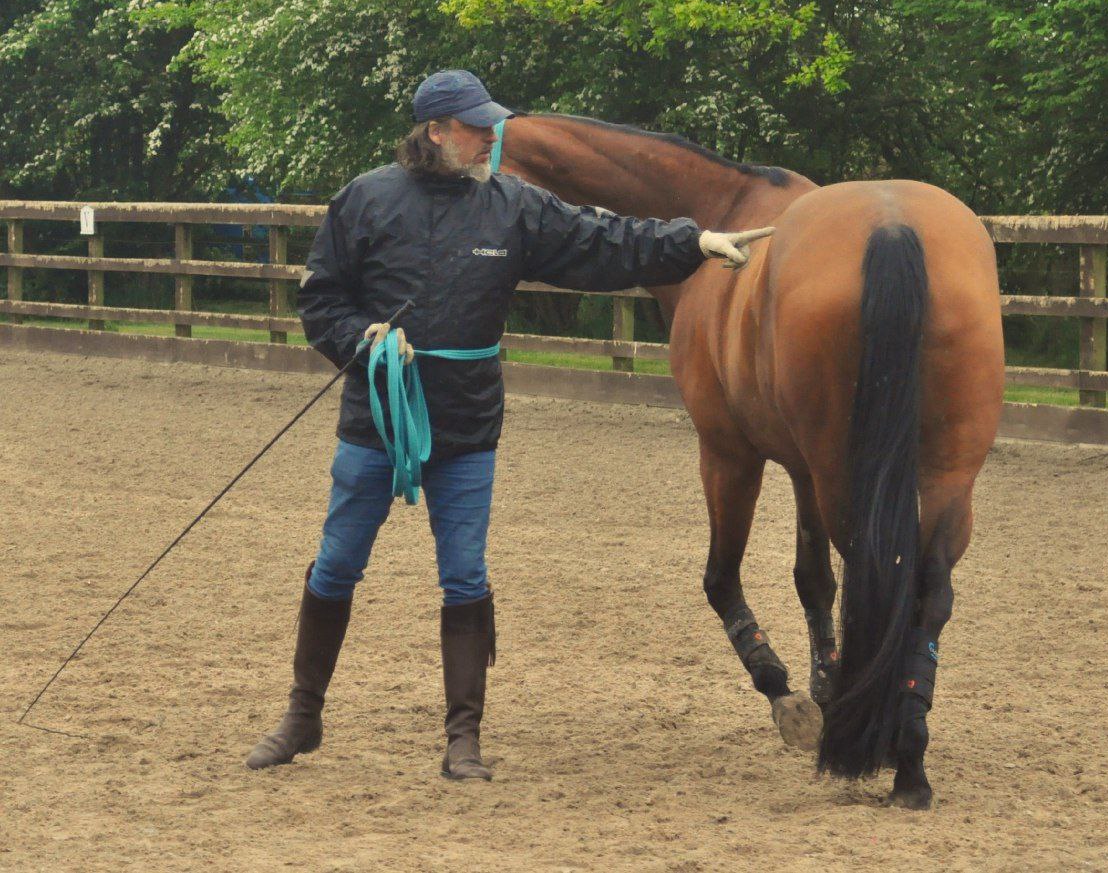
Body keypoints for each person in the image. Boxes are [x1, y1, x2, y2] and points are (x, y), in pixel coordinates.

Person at [245, 69, 774, 780]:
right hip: (377, 421)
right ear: (436, 132)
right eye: (475, 126)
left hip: (466, 425)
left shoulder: (514, 207)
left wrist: (693, 242)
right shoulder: (365, 199)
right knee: (337, 563)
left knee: (464, 575)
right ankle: (302, 715)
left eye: (493, 124)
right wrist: (364, 338)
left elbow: (606, 240)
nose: (491, 136)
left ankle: (464, 738)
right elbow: (322, 300)